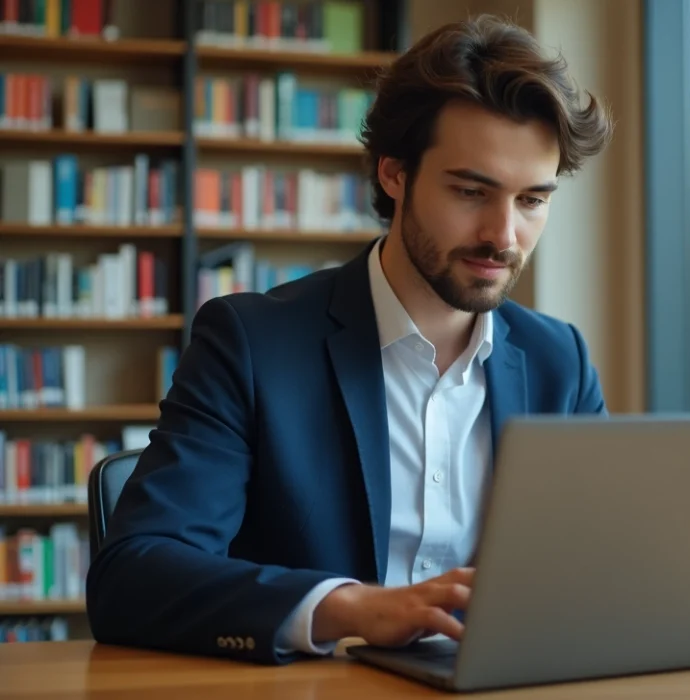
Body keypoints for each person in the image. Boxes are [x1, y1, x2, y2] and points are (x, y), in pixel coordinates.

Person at [85, 14, 613, 665]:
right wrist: (352, 608)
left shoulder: (559, 361)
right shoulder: (251, 343)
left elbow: (601, 570)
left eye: (532, 200)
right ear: (394, 175)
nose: (504, 235)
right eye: (472, 192)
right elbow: (132, 577)